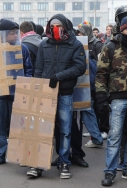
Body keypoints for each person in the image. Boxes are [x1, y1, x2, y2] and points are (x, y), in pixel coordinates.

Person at [30, 14, 86, 179]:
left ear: (65, 27)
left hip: (65, 93)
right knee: (43, 129)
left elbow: (80, 67)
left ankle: (64, 162)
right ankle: (38, 163)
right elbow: (38, 68)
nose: (55, 29)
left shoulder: (74, 45)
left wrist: (58, 76)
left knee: (65, 130)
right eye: (52, 25)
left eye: (58, 26)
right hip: (46, 93)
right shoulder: (44, 45)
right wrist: (38, 88)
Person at [0, 19, 33, 166]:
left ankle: (19, 155)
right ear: (4, 34)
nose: (15, 36)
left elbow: (28, 70)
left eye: (16, 33)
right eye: (11, 33)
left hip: (17, 92)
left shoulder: (23, 48)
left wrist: (25, 86)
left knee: (19, 125)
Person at [96, 16, 127, 186]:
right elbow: (101, 74)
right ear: (121, 30)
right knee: (114, 136)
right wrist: (101, 96)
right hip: (118, 99)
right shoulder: (110, 47)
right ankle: (110, 171)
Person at [77, 24, 103, 147]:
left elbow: (99, 66)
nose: (79, 35)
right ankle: (96, 136)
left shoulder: (97, 45)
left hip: (91, 84)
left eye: (81, 33)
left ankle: (96, 137)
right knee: (89, 110)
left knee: (89, 109)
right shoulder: (82, 44)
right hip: (86, 83)